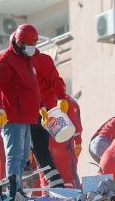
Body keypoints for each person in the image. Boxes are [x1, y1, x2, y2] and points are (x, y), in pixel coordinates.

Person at [0, 24, 45, 189]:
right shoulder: (6, 59)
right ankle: (13, 191)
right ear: (19, 43)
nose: (31, 49)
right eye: (28, 46)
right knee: (14, 156)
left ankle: (18, 189)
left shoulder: (26, 59)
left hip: (27, 117)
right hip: (13, 116)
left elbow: (32, 87)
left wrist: (40, 106)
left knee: (23, 158)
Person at [33, 46, 70, 188]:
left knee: (37, 150)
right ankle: (56, 183)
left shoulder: (22, 63)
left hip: (35, 112)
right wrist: (61, 97)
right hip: (49, 111)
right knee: (42, 149)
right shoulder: (44, 60)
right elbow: (56, 80)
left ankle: (54, 182)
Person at [40, 95, 83, 188]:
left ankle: (46, 199)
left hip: (43, 144)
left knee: (47, 176)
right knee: (68, 177)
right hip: (64, 142)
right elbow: (75, 123)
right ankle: (71, 200)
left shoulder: (40, 99)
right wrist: (78, 142)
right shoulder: (66, 100)